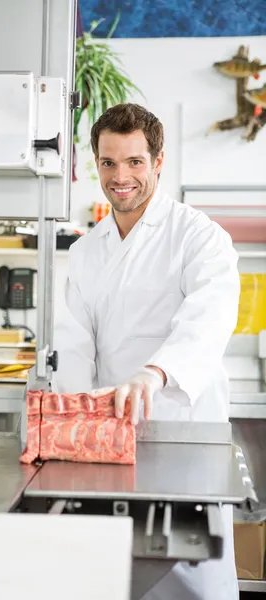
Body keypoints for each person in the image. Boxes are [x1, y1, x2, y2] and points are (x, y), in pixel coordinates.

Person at [52, 103, 240, 600]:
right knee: (116, 575)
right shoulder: (85, 250)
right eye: (109, 163)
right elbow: (73, 342)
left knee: (191, 572)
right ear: (96, 164)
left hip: (184, 431)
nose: (121, 177)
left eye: (134, 162)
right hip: (110, 438)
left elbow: (209, 318)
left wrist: (153, 374)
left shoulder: (199, 237)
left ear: (158, 162)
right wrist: (72, 415)